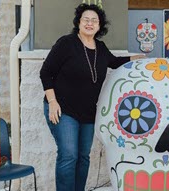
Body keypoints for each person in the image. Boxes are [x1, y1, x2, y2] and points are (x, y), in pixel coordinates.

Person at [37, 4, 132, 191]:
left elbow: (115, 62)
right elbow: (46, 73)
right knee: (69, 155)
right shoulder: (66, 43)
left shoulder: (101, 48)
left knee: (83, 156)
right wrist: (52, 101)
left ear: (99, 25)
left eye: (94, 20)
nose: (90, 23)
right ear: (78, 23)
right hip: (63, 108)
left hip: (88, 112)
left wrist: (138, 59)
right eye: (86, 19)